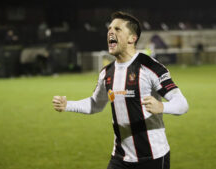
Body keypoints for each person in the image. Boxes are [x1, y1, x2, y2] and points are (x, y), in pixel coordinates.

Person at [52, 11, 189, 169]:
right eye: (110, 28)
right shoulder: (106, 73)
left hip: (152, 158)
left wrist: (162, 107)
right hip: (120, 158)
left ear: (132, 38)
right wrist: (67, 104)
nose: (110, 31)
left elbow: (182, 104)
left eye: (117, 29)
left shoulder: (150, 67)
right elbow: (95, 104)